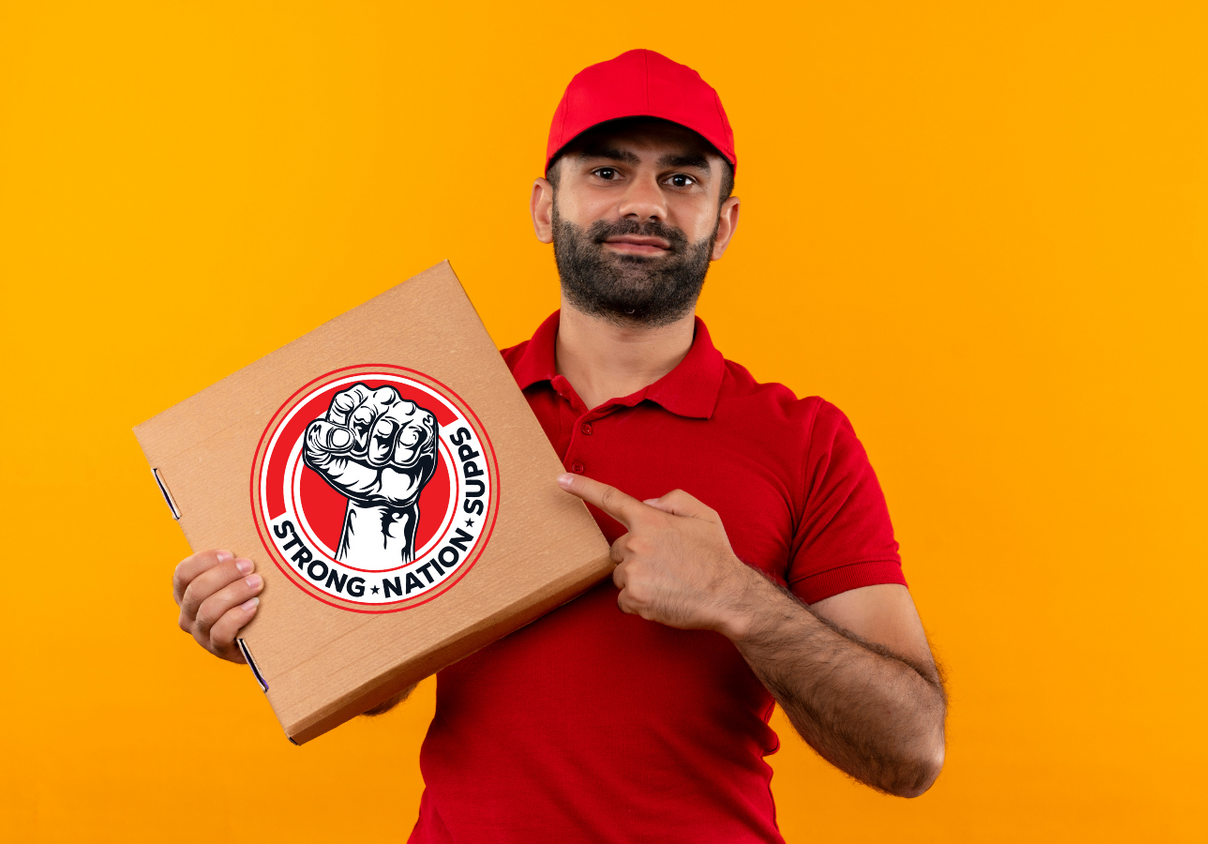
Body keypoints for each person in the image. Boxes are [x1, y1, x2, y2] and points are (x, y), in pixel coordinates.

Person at [170, 49, 946, 843]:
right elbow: (376, 682)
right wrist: (273, 624)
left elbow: (911, 748)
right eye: (607, 172)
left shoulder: (807, 439)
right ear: (545, 208)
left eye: (681, 180)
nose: (644, 203)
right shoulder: (438, 408)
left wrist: (738, 599)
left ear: (724, 222)